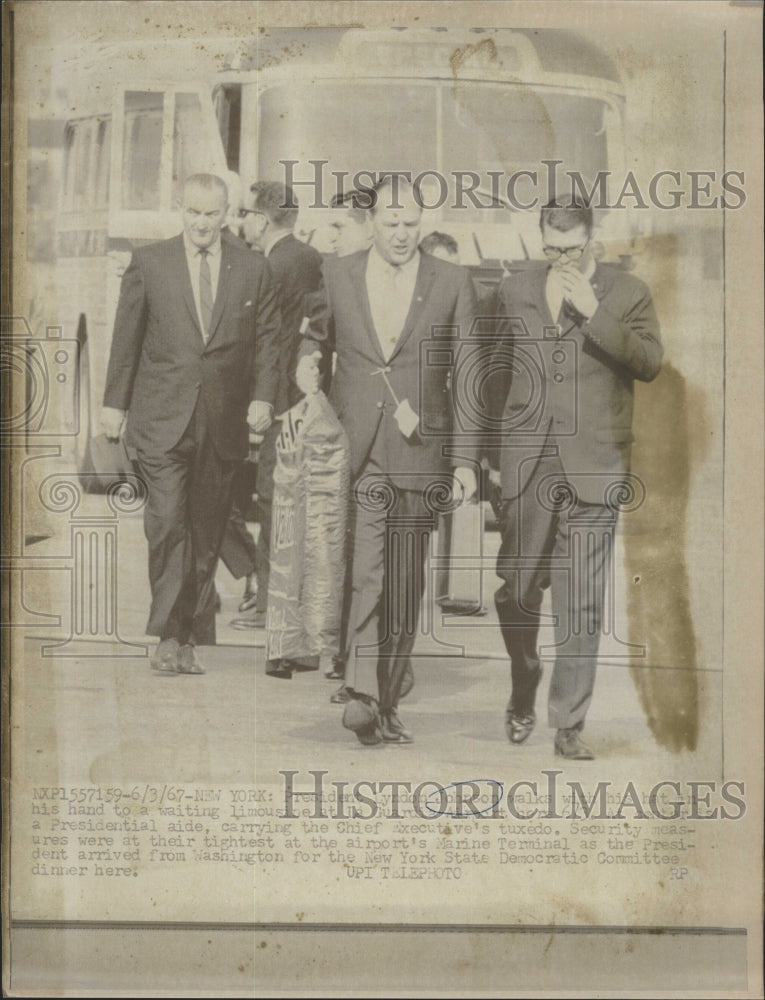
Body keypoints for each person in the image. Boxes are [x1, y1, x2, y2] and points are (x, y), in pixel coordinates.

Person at [477, 200, 663, 759]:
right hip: (528, 464)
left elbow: (651, 362)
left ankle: (568, 724)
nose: (562, 258)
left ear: (592, 240)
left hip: (596, 465)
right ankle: (524, 677)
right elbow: (489, 371)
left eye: (573, 247)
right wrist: (489, 455)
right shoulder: (514, 291)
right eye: (552, 248)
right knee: (516, 591)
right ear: (540, 239)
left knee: (581, 599)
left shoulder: (627, 292)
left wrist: (594, 314)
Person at [297, 178, 478, 745]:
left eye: (410, 224)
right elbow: (313, 337)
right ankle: (360, 692)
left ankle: (387, 696)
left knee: (403, 582)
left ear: (423, 223)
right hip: (359, 448)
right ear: (371, 221)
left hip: (422, 452)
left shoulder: (452, 281)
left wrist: (467, 462)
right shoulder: (335, 273)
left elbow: (469, 374)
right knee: (366, 569)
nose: (400, 235)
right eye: (390, 222)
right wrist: (305, 363)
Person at [101, 172, 280, 674]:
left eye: (211, 214)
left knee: (204, 533)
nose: (202, 224)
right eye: (193, 212)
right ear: (180, 209)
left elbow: (269, 341)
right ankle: (167, 634)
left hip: (221, 423)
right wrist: (114, 403)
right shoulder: (150, 263)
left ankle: (188, 636)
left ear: (227, 215)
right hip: (161, 419)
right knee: (165, 525)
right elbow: (125, 337)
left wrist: (264, 398)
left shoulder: (252, 268)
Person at [227, 180, 325, 631]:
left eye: (245, 213)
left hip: (278, 401)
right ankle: (270, 598)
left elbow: (264, 338)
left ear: (262, 219)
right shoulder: (310, 258)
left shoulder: (268, 264)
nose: (240, 221)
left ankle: (270, 603)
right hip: (300, 398)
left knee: (271, 500)